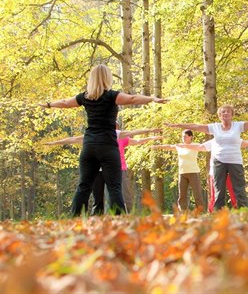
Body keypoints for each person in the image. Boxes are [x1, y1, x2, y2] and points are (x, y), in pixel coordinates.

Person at [39, 64, 168, 215]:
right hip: (107, 146)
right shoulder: (112, 96)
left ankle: (73, 218)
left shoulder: (85, 97)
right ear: (107, 78)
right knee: (114, 186)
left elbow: (66, 103)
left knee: (84, 186)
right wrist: (152, 98)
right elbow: (132, 98)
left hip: (89, 146)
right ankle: (119, 219)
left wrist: (49, 105)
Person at [165, 105, 248, 211]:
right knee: (218, 188)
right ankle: (218, 213)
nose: (225, 113)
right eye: (223, 112)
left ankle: (243, 211)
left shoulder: (238, 126)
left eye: (228, 112)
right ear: (219, 116)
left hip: (235, 161)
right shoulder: (214, 127)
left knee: (239, 188)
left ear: (232, 115)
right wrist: (177, 125)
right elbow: (196, 126)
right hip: (219, 161)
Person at [44, 127, 163, 214]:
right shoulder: (92, 135)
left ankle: (121, 215)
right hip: (98, 170)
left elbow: (136, 139)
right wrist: (55, 143)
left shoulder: (118, 136)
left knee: (118, 193)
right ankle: (97, 216)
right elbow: (73, 139)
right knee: (98, 196)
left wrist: (152, 136)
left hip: (117, 169)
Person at [159, 134, 248, 211]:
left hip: (231, 170)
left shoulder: (233, 140)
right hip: (216, 172)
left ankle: (240, 210)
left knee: (235, 192)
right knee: (215, 194)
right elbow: (199, 146)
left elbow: (246, 143)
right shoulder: (213, 142)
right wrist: (180, 145)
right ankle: (214, 212)